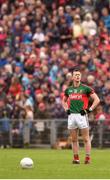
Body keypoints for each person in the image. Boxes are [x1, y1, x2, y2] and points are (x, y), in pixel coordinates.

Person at [62, 68, 100, 164]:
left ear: (81, 76)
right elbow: (63, 101)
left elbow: (97, 99)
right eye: (76, 75)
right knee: (74, 139)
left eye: (79, 75)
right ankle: (76, 159)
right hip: (71, 116)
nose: (77, 76)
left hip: (81, 115)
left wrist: (89, 110)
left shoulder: (85, 88)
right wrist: (66, 109)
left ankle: (87, 159)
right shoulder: (68, 90)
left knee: (86, 139)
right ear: (72, 77)